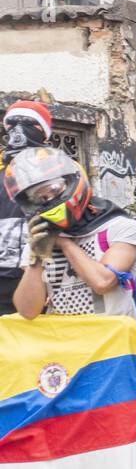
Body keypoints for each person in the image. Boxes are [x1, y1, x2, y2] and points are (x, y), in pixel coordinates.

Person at [4, 146, 136, 469]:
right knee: (64, 436)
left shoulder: (121, 226)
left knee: (121, 436)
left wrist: (66, 241)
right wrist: (37, 257)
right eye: (36, 197)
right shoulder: (39, 241)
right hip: (61, 356)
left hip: (112, 352)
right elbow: (28, 309)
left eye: (51, 190)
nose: (46, 200)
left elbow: (105, 280)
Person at [1, 100, 53, 315]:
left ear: (45, 133)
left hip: (34, 274)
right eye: (12, 122)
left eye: (30, 122)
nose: (19, 128)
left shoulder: (59, 173)